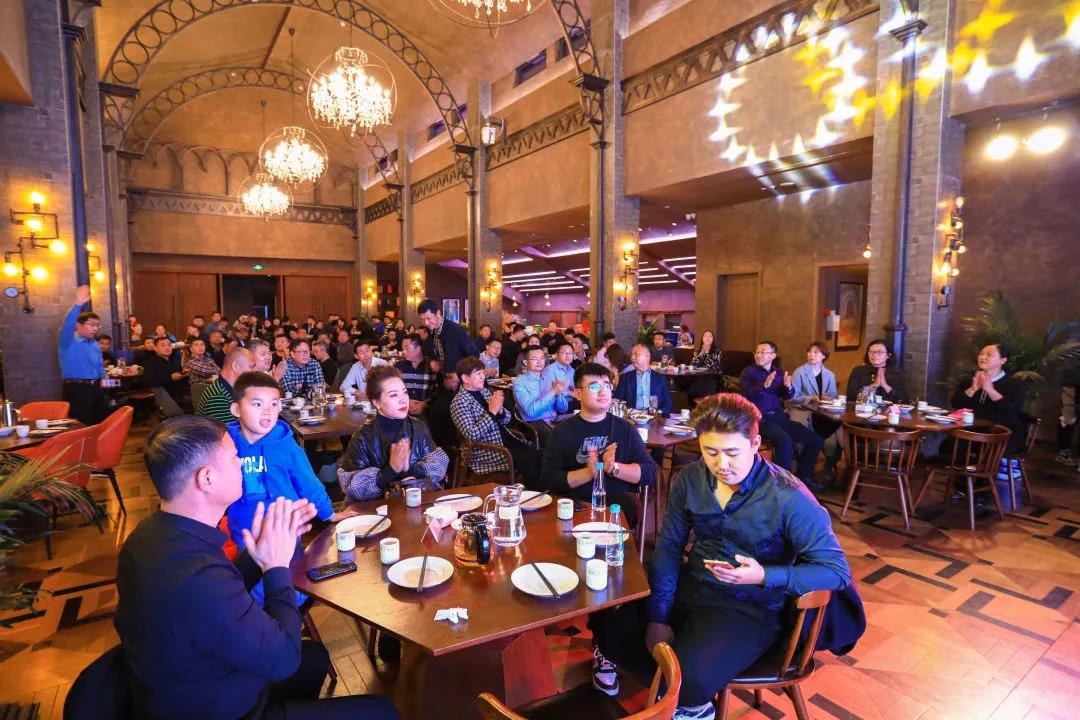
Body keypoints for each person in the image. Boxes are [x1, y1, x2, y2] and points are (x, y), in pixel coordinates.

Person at [115, 415, 399, 720]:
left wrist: (259, 551)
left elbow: (220, 592)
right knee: (382, 710)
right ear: (206, 479)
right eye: (233, 457)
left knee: (315, 658)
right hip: (220, 708)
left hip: (194, 677)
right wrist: (276, 568)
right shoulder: (196, 578)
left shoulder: (149, 536)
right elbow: (284, 659)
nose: (241, 463)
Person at [589, 394, 851, 720]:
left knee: (687, 679)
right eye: (710, 451)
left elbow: (837, 572)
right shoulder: (691, 478)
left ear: (755, 444)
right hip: (693, 585)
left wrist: (764, 575)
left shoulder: (789, 496)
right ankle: (674, 692)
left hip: (751, 606)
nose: (721, 464)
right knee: (610, 629)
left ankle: (692, 705)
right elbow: (669, 546)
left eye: (732, 452)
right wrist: (658, 615)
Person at [226, 372, 355, 576]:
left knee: (290, 575)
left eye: (273, 404)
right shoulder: (226, 446)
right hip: (245, 532)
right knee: (251, 581)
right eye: (257, 404)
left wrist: (328, 513)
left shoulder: (287, 445)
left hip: (286, 530)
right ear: (236, 409)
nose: (267, 411)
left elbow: (308, 482)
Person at [540, 362, 655, 520]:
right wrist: (589, 473)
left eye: (607, 386)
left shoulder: (626, 429)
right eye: (594, 387)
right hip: (575, 510)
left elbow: (649, 473)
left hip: (615, 512)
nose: (603, 391)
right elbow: (548, 480)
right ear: (578, 394)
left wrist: (613, 468)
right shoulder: (561, 432)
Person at [338, 366, 450, 502]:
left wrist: (410, 469)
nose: (403, 400)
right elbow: (351, 488)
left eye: (404, 392)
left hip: (418, 503)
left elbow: (438, 467)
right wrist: (391, 470)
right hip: (377, 509)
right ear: (376, 402)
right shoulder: (363, 437)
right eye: (393, 395)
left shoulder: (418, 426)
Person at [739, 341, 823, 487]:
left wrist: (788, 387)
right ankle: (782, 485)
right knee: (785, 441)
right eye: (757, 352)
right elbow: (747, 393)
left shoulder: (778, 373)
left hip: (779, 417)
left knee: (816, 440)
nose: (758, 355)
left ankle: (803, 478)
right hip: (760, 419)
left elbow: (788, 396)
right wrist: (764, 385)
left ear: (773, 355)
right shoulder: (748, 372)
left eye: (763, 352)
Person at [450, 357, 542, 490]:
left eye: (483, 372)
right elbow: (471, 434)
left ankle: (540, 493)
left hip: (506, 441)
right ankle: (534, 495)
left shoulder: (484, 391)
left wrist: (500, 412)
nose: (483, 376)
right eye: (478, 373)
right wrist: (492, 412)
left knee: (540, 454)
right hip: (486, 450)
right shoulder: (459, 402)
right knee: (530, 459)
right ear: (465, 378)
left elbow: (507, 419)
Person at [951, 343, 1026, 454]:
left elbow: (1012, 412)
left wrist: (990, 390)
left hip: (1001, 434)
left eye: (989, 354)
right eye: (981, 354)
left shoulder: (1014, 384)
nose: (983, 357)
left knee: (983, 450)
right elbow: (955, 404)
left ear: (1003, 360)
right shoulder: (969, 380)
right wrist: (972, 389)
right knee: (949, 446)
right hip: (972, 431)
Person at [58, 285, 108, 425]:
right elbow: (68, 324)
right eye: (92, 324)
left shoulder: (94, 344)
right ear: (78, 325)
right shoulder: (67, 340)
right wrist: (78, 304)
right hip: (77, 388)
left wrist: (104, 376)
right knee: (81, 424)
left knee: (100, 423)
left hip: (96, 387)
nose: (95, 328)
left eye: (98, 325)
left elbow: (98, 365)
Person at [791, 341, 842, 478]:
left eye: (816, 352)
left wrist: (828, 398)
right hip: (803, 411)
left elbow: (833, 397)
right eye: (809, 352)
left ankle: (828, 465)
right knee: (808, 438)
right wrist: (810, 399)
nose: (811, 355)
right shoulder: (800, 372)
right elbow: (792, 397)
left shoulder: (830, 375)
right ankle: (802, 472)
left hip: (823, 414)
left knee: (834, 437)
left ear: (824, 356)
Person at [513, 345, 569, 447]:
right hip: (535, 423)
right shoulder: (519, 383)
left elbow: (563, 409)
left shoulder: (549, 378)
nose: (539, 362)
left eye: (542, 358)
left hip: (555, 419)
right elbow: (531, 412)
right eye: (534, 359)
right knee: (559, 441)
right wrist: (553, 392)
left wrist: (558, 395)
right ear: (525, 362)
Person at [418, 298, 478, 381]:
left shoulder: (455, 330)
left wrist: (461, 374)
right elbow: (428, 351)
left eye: (428, 318)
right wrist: (432, 360)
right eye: (422, 319)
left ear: (438, 313)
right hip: (442, 380)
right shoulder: (429, 331)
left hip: (459, 381)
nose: (426, 323)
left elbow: (474, 354)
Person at [196, 347, 256, 425]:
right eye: (251, 367)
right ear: (236, 366)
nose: (254, 372)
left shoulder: (233, 388)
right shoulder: (217, 397)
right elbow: (231, 431)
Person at [615, 344, 673, 415]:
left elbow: (668, 403)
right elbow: (617, 401)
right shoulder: (625, 378)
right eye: (632, 354)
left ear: (647, 356)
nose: (632, 358)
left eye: (636, 354)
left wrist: (657, 413)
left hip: (654, 417)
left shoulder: (660, 378)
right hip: (632, 417)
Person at [394, 334, 434, 415]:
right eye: (403, 348)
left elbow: (437, 392)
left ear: (418, 348)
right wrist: (406, 401)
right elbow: (393, 390)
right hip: (403, 412)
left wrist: (424, 404)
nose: (404, 352)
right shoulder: (398, 367)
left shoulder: (431, 367)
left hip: (428, 412)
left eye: (407, 348)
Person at [143, 336, 189, 406]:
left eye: (169, 345)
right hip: (167, 398)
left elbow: (179, 377)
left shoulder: (174, 360)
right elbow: (148, 382)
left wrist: (185, 374)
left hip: (182, 393)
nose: (167, 348)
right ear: (155, 348)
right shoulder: (151, 363)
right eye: (163, 345)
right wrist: (170, 377)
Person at [427, 370, 461, 451]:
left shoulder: (440, 396)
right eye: (454, 380)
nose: (457, 383)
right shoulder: (443, 401)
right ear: (445, 380)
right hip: (445, 445)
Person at [541, 342, 577, 412]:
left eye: (570, 353)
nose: (568, 356)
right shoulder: (549, 370)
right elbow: (548, 392)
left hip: (570, 404)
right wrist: (569, 392)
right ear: (556, 355)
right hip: (554, 407)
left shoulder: (572, 371)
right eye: (564, 353)